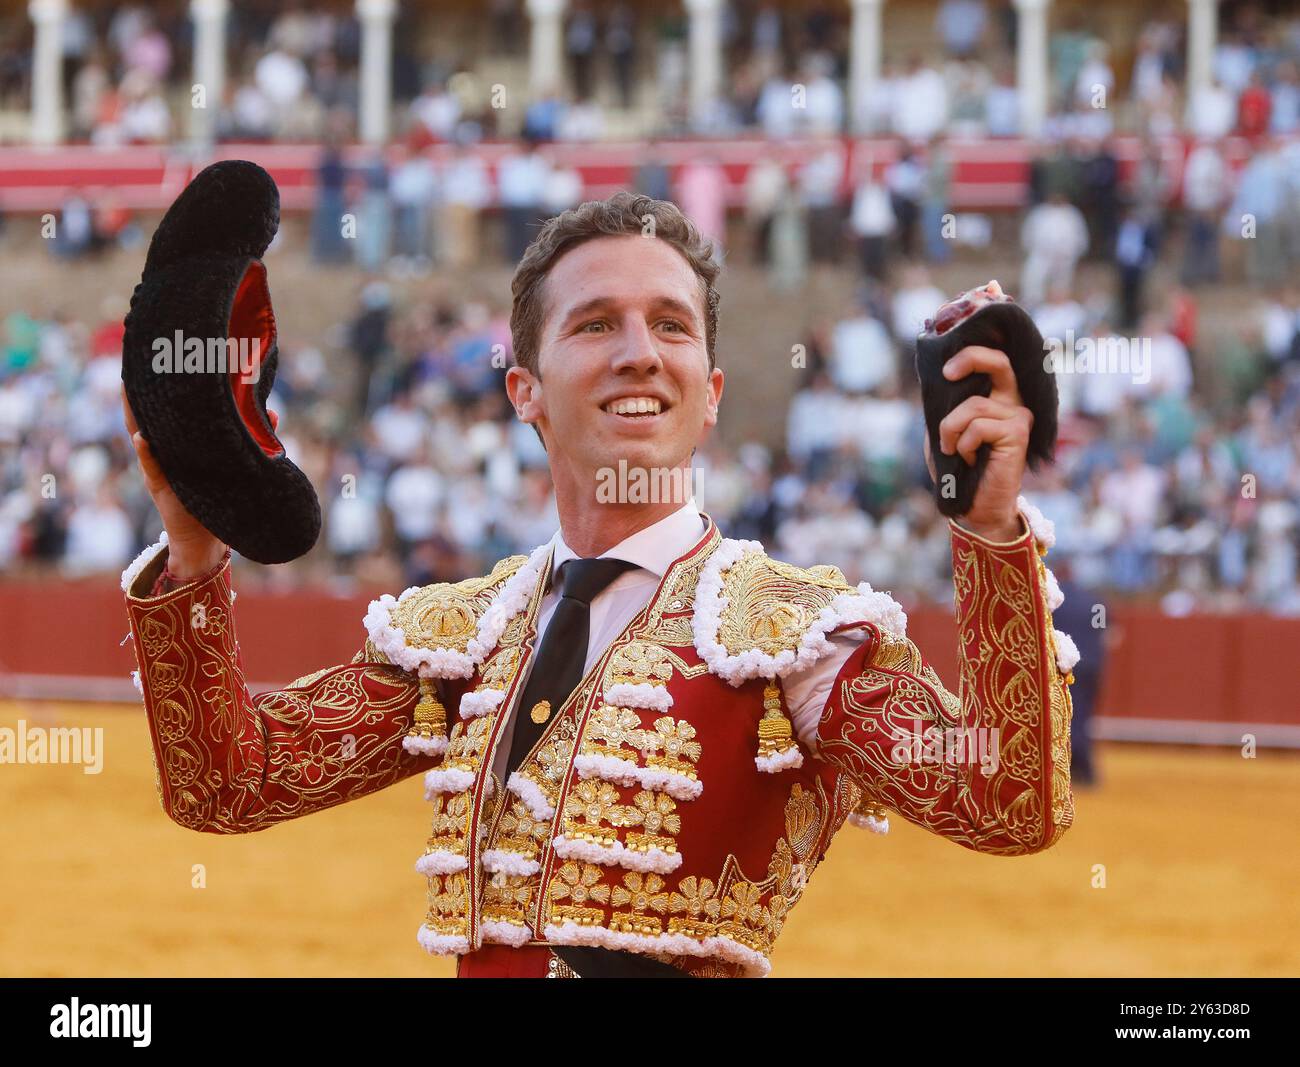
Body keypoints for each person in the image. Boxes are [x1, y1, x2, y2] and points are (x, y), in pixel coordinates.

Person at [120, 192, 1076, 979]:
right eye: (595, 324)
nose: (639, 352)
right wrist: (196, 548)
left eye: (671, 326)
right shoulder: (465, 634)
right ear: (524, 389)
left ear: (710, 391)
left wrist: (990, 533)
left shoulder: (791, 633)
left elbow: (1007, 802)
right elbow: (228, 783)